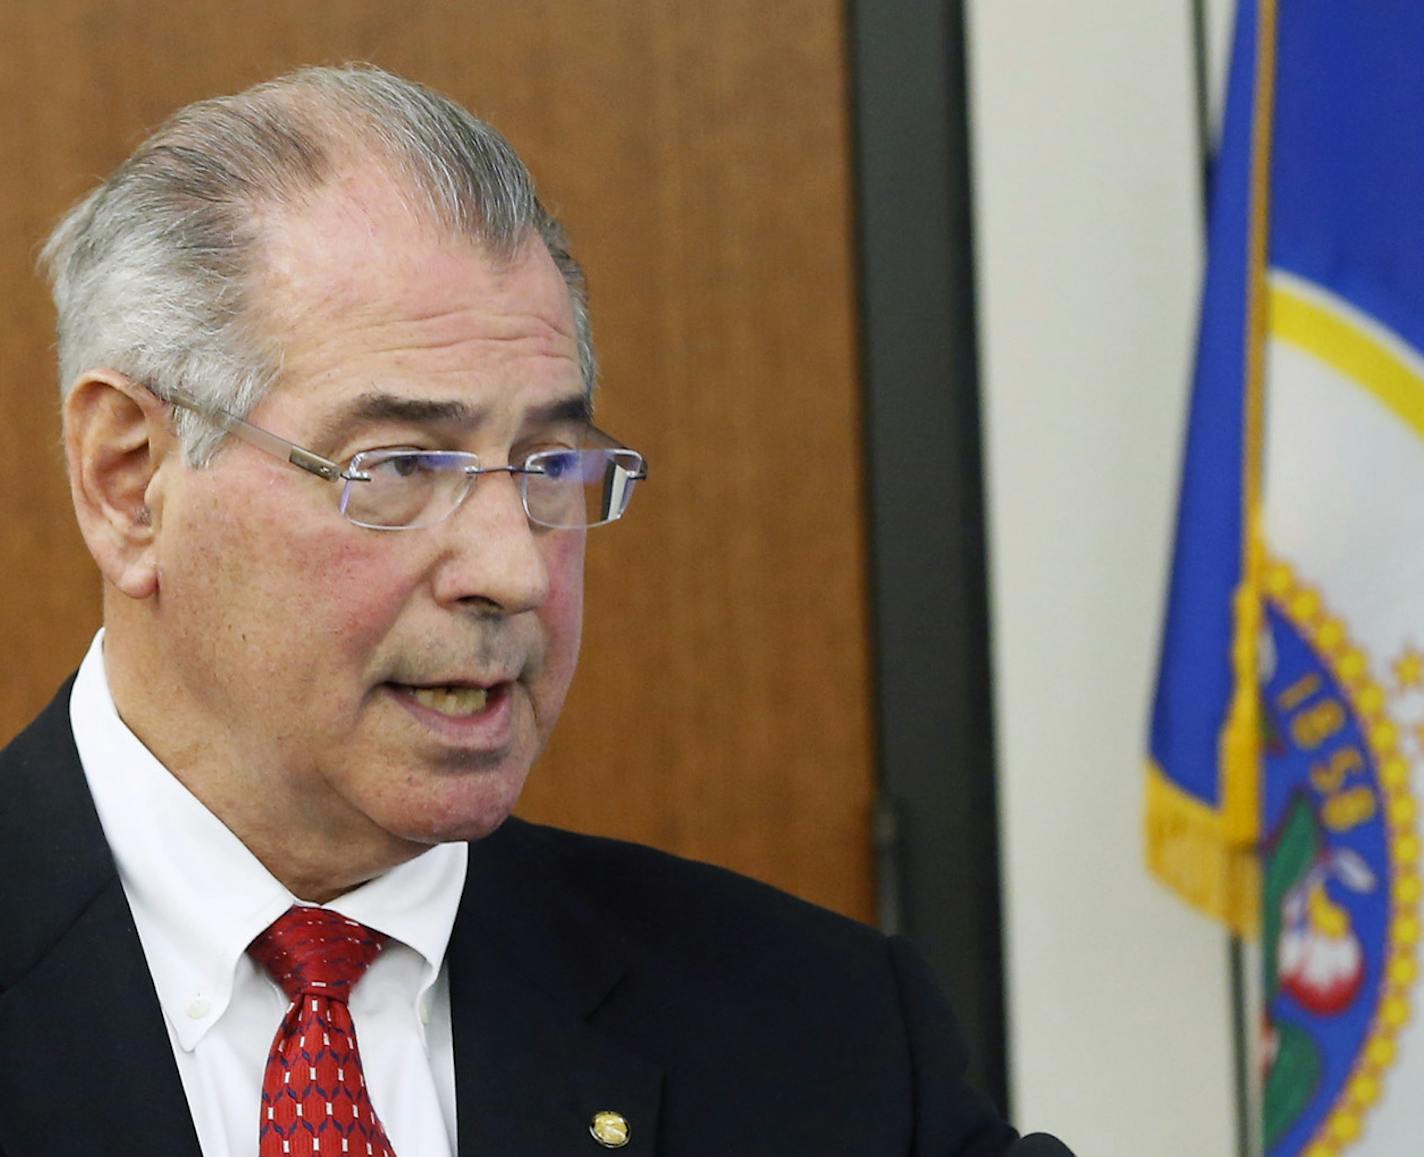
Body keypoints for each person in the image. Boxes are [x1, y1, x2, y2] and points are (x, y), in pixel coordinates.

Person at [0, 65, 1068, 1156]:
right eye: (400, 465)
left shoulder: (818, 1029)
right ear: (130, 480)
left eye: (549, 463)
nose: (513, 569)